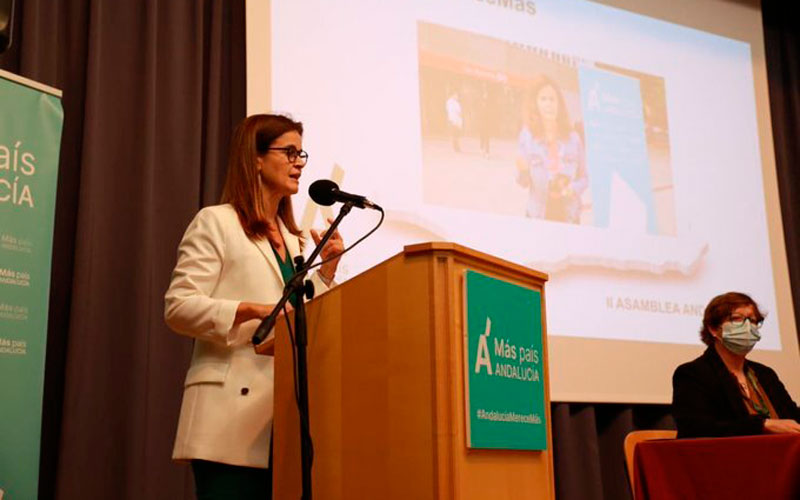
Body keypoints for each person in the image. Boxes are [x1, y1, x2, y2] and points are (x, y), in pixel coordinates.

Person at [164, 114, 344, 499]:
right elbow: (178, 306)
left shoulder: (295, 240)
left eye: (301, 154)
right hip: (228, 420)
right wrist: (249, 309)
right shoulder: (217, 222)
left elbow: (300, 316)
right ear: (256, 159)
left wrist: (327, 270)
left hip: (284, 422)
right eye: (289, 152)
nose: (299, 163)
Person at [672, 292, 800, 438]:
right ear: (713, 329)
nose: (747, 327)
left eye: (753, 321)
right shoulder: (692, 373)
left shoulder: (765, 374)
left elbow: (793, 418)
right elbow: (696, 430)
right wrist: (762, 425)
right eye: (737, 319)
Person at [515, 76, 587, 223]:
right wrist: (523, 171)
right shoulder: (527, 136)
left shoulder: (574, 138)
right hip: (537, 214)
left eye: (552, 99)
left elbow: (585, 177)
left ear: (559, 104)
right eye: (543, 99)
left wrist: (573, 189)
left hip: (569, 215)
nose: (548, 104)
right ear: (535, 103)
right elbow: (523, 182)